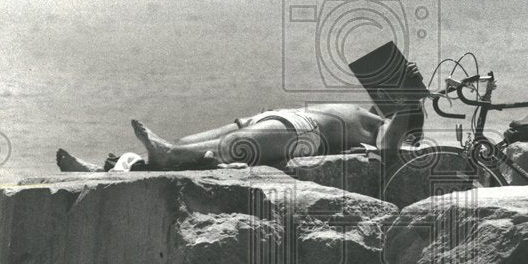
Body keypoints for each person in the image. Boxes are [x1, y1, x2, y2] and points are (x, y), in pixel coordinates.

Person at [56, 66, 427, 173]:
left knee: (227, 149)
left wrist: (408, 104)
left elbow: (389, 149)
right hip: (280, 117)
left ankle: (156, 158)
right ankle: (110, 170)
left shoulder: (380, 127)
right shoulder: (370, 113)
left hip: (302, 131)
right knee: (186, 144)